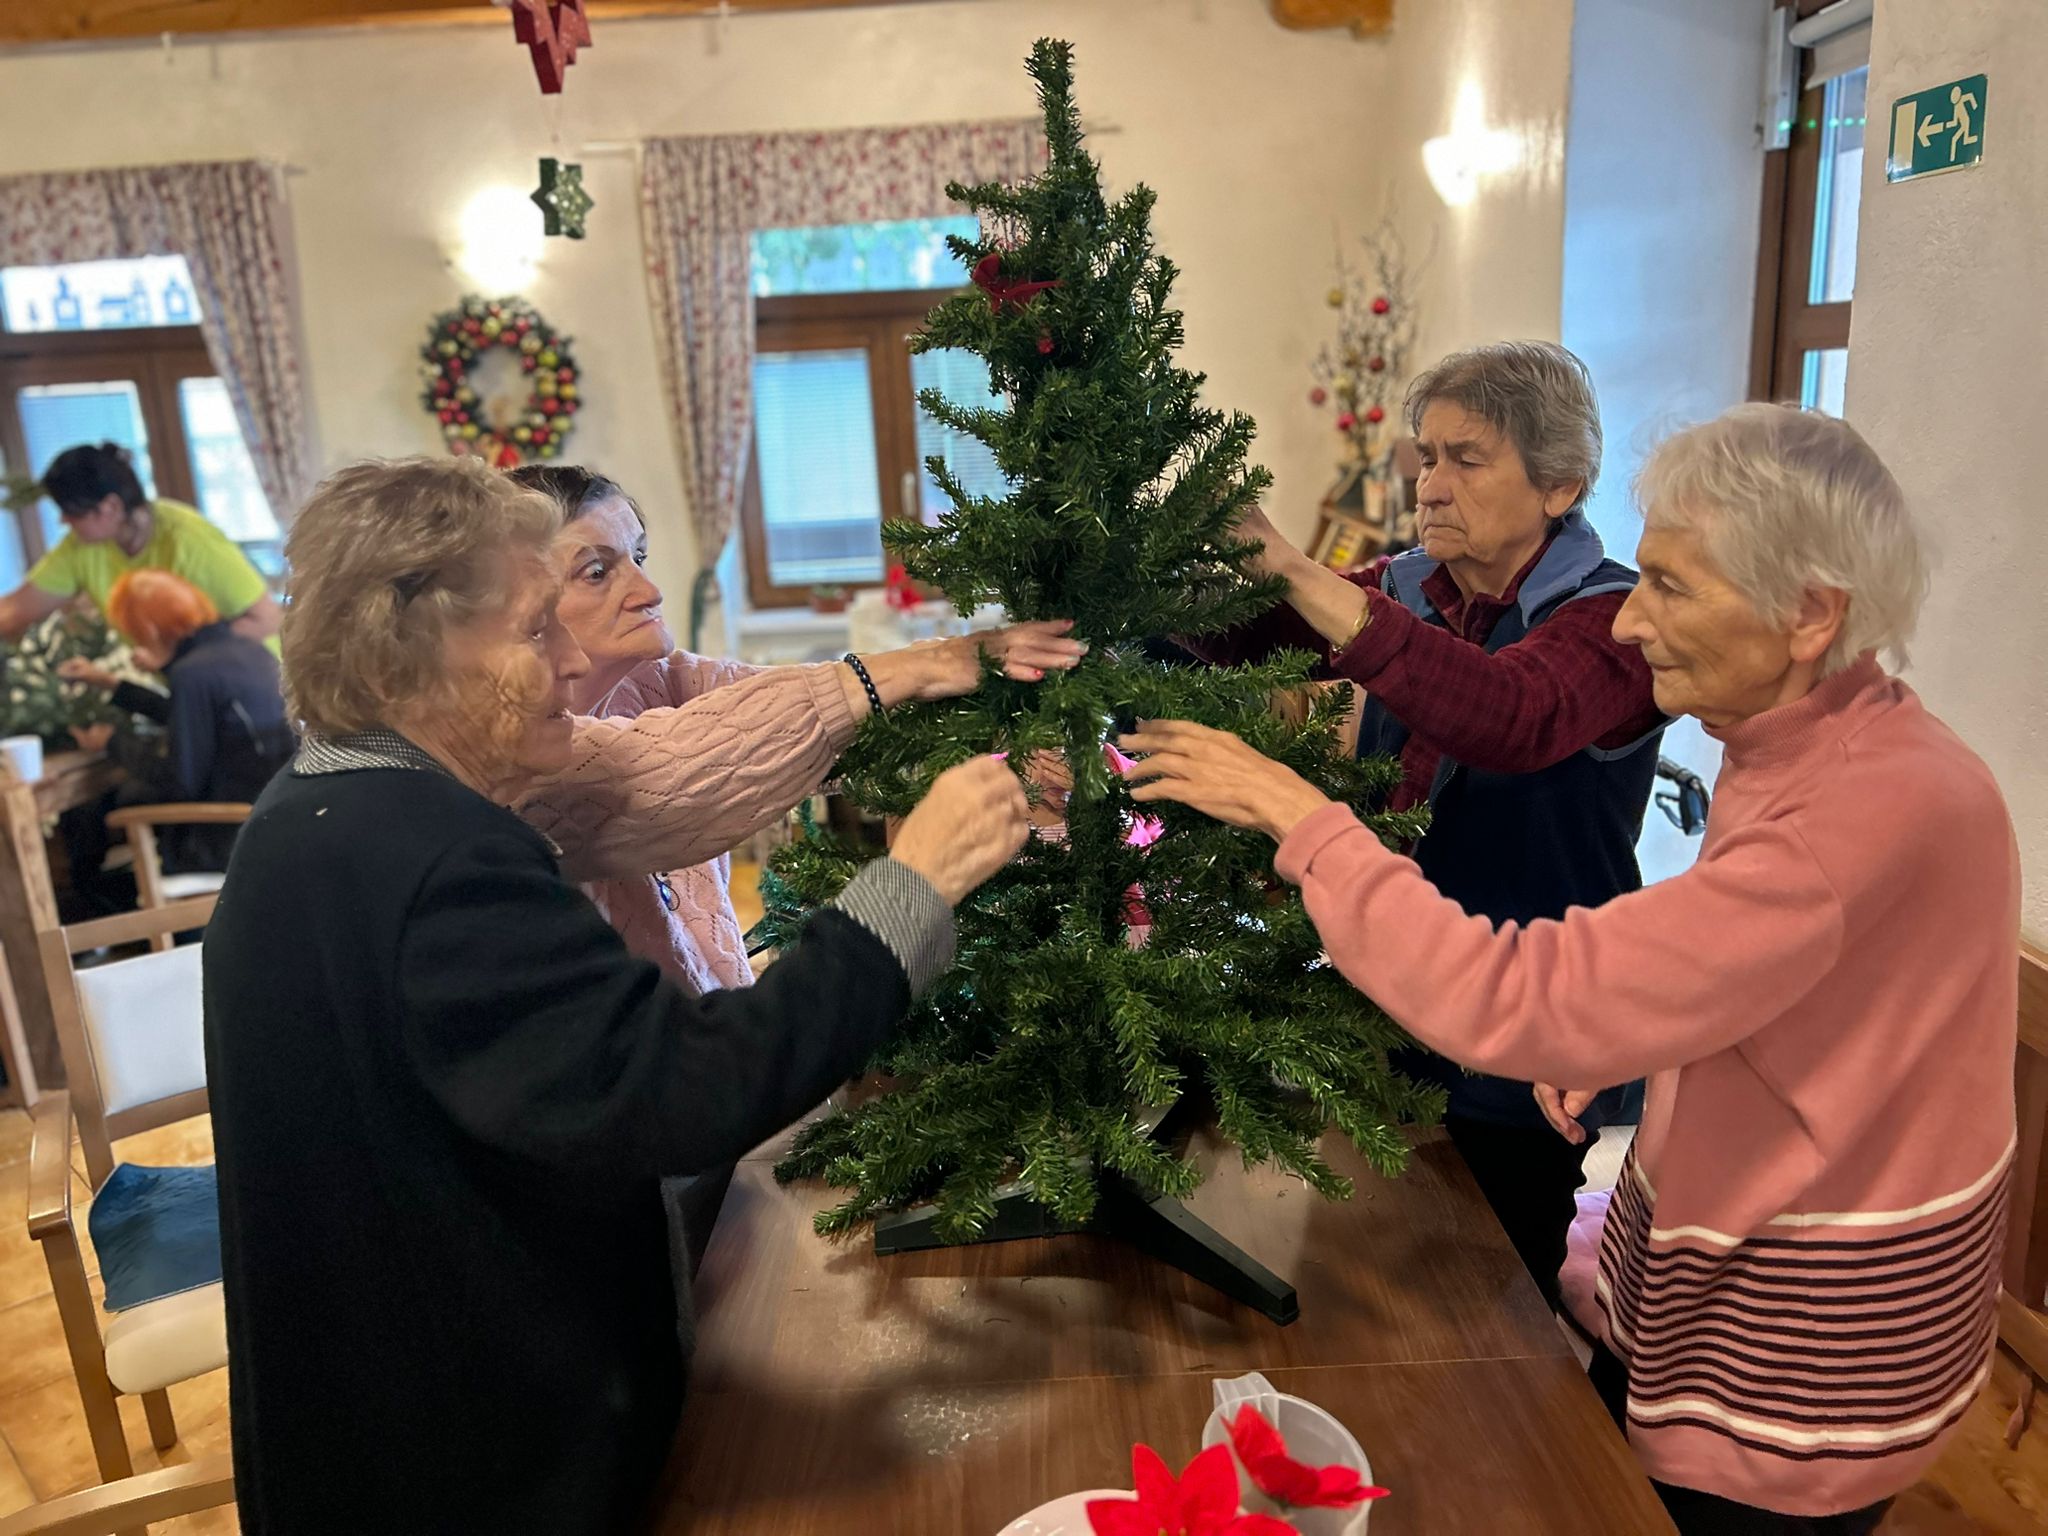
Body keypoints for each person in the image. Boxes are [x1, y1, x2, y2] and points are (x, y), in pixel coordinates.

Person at [1117, 404, 2017, 1535]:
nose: (1632, 622)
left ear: (1808, 613)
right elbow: (1805, 977)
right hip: (1721, 1278)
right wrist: (1648, 1021)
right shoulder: (1829, 740)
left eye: (1671, 587)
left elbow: (1515, 994)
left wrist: (1299, 819)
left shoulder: (1860, 808)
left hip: (1798, 1361)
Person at [204, 456, 1031, 1533]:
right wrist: (911, 886)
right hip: (471, 1470)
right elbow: (683, 1091)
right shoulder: (437, 860)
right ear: (414, 654)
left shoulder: (319, 810)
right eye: (534, 630)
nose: (567, 661)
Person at [1190, 341, 1664, 1308]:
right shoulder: (1415, 586)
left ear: (1560, 485)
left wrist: (1295, 567)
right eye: (1428, 456)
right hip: (1386, 1003)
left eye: (1467, 459)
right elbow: (1255, 637)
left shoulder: (1615, 620)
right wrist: (1175, 577)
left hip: (1525, 1043)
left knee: (1498, 1307)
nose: (1431, 484)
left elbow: (1506, 712)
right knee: (1368, 1269)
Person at [58, 570, 292, 876]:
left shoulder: (193, 674)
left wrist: (112, 742)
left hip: (225, 839)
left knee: (103, 823)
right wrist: (110, 684)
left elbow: (179, 783)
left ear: (150, 629)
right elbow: (200, 720)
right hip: (270, 822)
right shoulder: (247, 650)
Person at [0, 443, 282, 651]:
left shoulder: (189, 539)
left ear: (110, 507)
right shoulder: (81, 546)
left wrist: (182, 655)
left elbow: (267, 619)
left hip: (256, 685)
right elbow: (14, 612)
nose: (63, 520)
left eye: (71, 512)